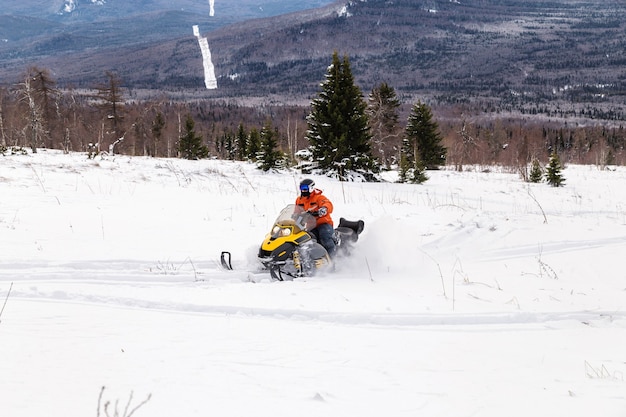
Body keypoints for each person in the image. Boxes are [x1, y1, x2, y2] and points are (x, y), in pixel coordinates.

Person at [295, 178, 336, 257]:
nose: (303, 190)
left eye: (305, 188)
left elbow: (328, 204)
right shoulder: (299, 200)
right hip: (310, 225)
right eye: (301, 188)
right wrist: (296, 221)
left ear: (311, 188)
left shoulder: (318, 197)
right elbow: (297, 212)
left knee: (325, 238)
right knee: (305, 241)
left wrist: (324, 209)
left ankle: (332, 259)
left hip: (323, 223)